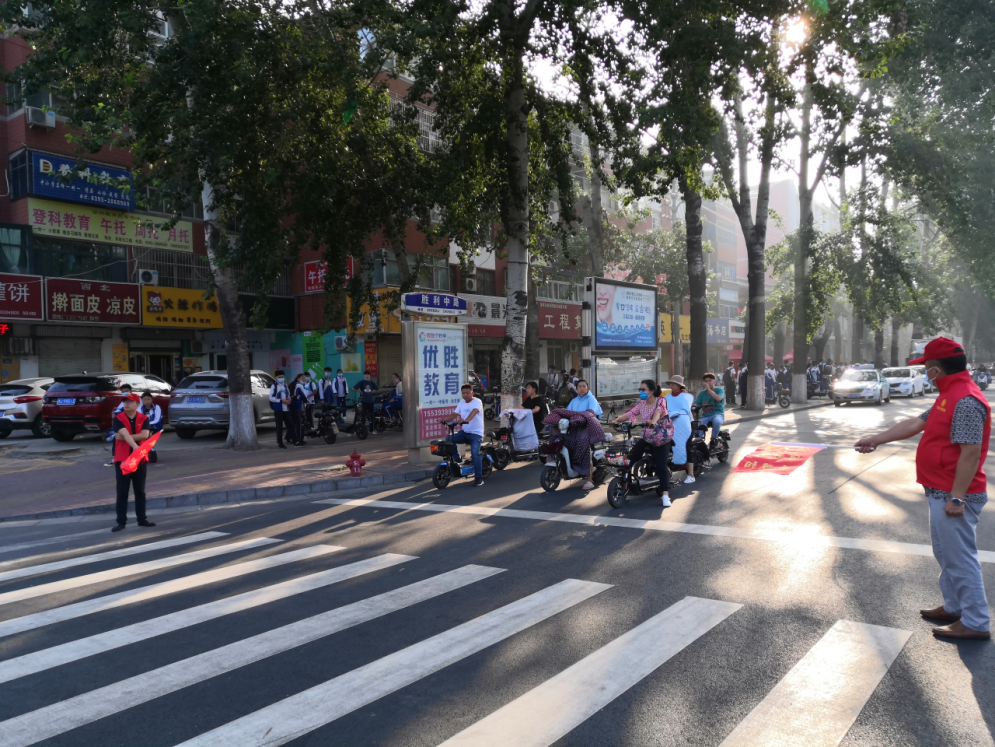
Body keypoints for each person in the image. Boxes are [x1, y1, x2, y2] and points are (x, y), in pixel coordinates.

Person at [855, 337, 990, 640]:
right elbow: (916, 423)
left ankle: (976, 622)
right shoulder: (950, 395)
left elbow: (970, 454)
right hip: (940, 491)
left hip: (954, 495)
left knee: (960, 558)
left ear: (935, 370)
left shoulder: (965, 400)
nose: (925, 372)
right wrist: (877, 439)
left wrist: (957, 497)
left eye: (926, 366)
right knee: (946, 555)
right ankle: (955, 607)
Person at [612, 379, 672, 506]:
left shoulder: (661, 400)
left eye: (643, 389)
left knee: (661, 466)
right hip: (647, 436)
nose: (641, 392)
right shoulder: (642, 404)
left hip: (661, 437)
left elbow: (658, 412)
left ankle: (665, 495)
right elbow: (629, 414)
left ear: (651, 391)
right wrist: (616, 421)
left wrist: (653, 422)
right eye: (640, 389)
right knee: (632, 457)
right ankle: (626, 485)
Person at [111, 393, 155, 532]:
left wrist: (127, 438)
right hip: (123, 459)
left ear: (137, 404)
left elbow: (144, 435)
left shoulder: (144, 418)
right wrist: (136, 445)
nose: (126, 404)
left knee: (140, 491)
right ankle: (121, 521)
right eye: (124, 401)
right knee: (122, 491)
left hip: (139, 459)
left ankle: (142, 519)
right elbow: (120, 434)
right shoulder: (118, 418)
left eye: (130, 402)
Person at [445, 383, 485, 486]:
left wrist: (465, 420)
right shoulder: (462, 402)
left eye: (467, 393)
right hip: (465, 433)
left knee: (475, 453)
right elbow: (454, 414)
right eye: (463, 393)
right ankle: (458, 459)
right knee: (449, 439)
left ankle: (479, 478)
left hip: (476, 434)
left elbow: (474, 412)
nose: (465, 395)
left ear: (472, 393)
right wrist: (445, 420)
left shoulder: (477, 402)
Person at [665, 375, 695, 484]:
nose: (671, 385)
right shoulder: (667, 397)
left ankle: (691, 475)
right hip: (671, 425)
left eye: (674, 384)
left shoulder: (686, 397)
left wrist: (673, 412)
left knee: (685, 447)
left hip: (686, 425)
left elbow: (685, 410)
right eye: (671, 384)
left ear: (679, 385)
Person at [695, 372, 725, 441]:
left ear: (714, 382)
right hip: (705, 416)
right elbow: (696, 403)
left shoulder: (720, 390)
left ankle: (713, 439)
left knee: (717, 422)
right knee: (697, 428)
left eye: (710, 381)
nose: (708, 383)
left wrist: (709, 389)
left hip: (718, 414)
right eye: (706, 381)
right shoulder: (702, 394)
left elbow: (719, 399)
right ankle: (698, 443)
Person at [269, 370, 292, 449]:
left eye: (282, 377)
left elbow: (288, 395)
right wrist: (281, 401)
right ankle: (280, 442)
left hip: (286, 408)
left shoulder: (285, 385)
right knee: (279, 426)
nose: (281, 378)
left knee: (290, 424)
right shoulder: (274, 386)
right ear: (276, 378)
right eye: (280, 377)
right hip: (278, 409)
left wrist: (289, 400)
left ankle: (294, 440)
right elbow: (271, 398)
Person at [139, 391, 163, 464]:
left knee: (149, 440)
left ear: (151, 399)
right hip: (144, 427)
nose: (147, 401)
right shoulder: (140, 408)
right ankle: (146, 454)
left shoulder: (156, 407)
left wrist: (147, 424)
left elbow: (157, 419)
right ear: (142, 400)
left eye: (149, 399)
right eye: (145, 400)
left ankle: (151, 453)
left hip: (155, 427)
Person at [290, 373, 308, 446]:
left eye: (304, 378)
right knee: (299, 424)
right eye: (302, 378)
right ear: (298, 379)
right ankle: (299, 439)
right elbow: (302, 395)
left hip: (293, 406)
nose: (304, 379)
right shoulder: (299, 385)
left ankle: (288, 438)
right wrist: (306, 400)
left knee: (294, 423)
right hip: (297, 406)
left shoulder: (295, 385)